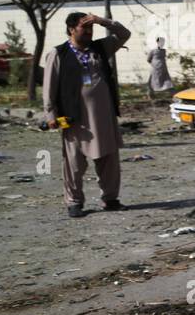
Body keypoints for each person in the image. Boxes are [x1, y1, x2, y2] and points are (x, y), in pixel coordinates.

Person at [42, 12, 131, 217]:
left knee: (109, 159)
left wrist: (102, 21)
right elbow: (49, 86)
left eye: (92, 28)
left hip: (103, 116)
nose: (90, 32)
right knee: (74, 162)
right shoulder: (59, 54)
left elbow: (124, 34)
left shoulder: (100, 48)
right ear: (72, 29)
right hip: (75, 117)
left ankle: (110, 199)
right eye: (85, 28)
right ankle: (74, 202)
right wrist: (50, 114)